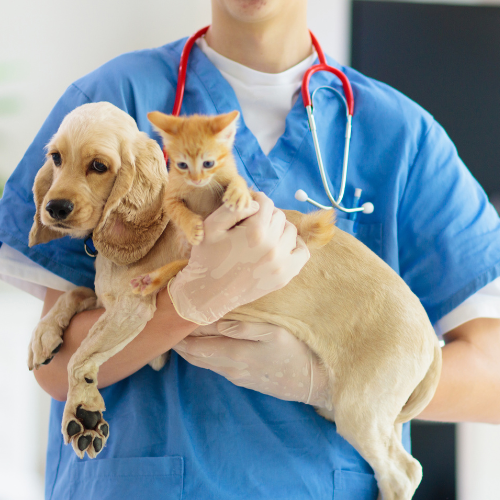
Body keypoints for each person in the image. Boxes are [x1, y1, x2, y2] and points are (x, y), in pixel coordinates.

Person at [1, 0, 500, 498]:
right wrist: (187, 305)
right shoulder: (112, 102)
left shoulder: (401, 136)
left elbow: (492, 377)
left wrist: (331, 383)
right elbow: (53, 367)